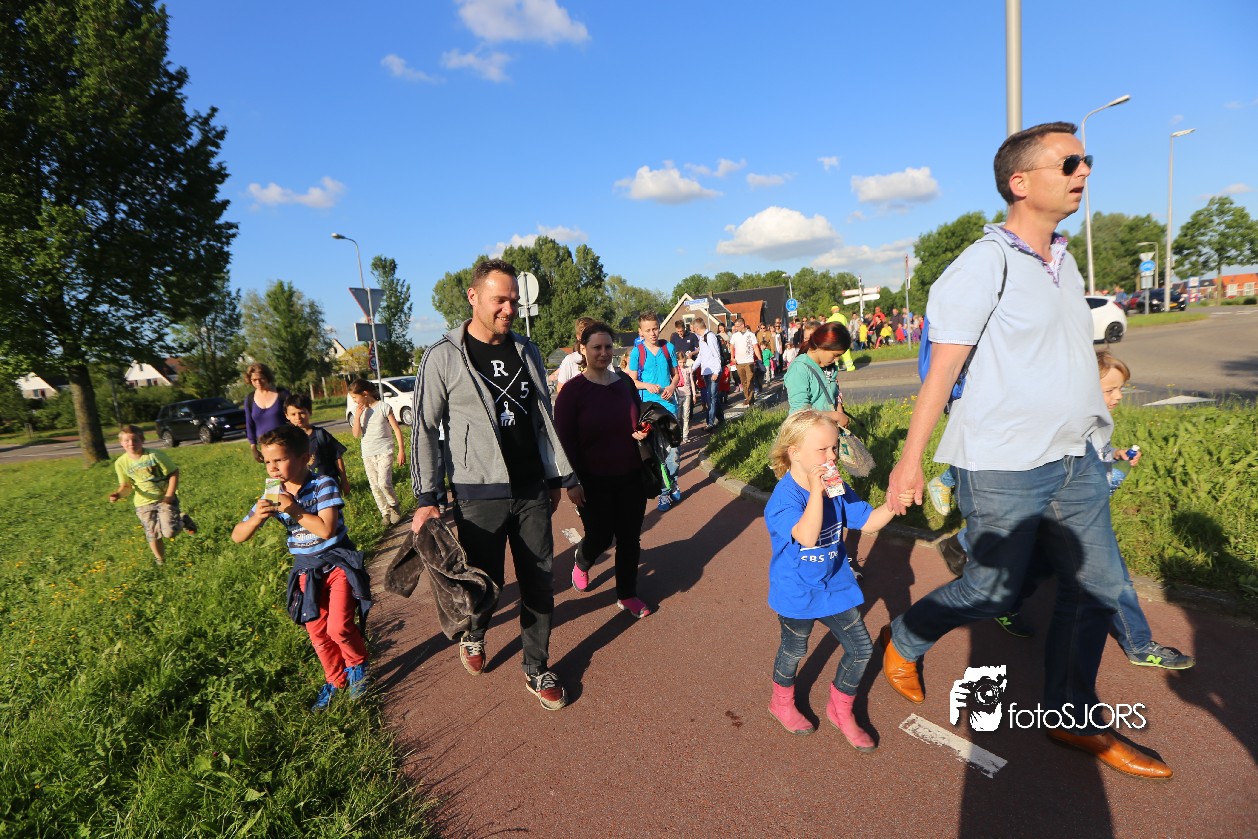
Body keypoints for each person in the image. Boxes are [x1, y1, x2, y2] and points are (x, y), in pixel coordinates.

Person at [881, 121, 1170, 779]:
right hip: (1002, 464)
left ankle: (1071, 716)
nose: (1084, 171)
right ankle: (909, 634)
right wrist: (909, 461)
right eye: (1068, 162)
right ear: (1019, 182)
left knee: (1096, 587)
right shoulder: (983, 264)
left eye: (1086, 160)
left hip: (1076, 457)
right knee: (992, 589)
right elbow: (942, 372)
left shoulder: (1065, 261)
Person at [409, 258, 575, 711]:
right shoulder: (443, 356)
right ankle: (474, 632)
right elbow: (424, 428)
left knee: (538, 580)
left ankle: (537, 666)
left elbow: (543, 417)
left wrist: (556, 476)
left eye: (514, 301)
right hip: (476, 491)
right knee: (486, 583)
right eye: (499, 300)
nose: (509, 309)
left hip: (531, 488)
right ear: (473, 297)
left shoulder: (527, 351)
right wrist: (426, 497)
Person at [764, 410, 911, 751]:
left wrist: (893, 503)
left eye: (834, 448)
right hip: (796, 590)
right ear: (794, 452)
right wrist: (817, 492)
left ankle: (840, 709)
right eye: (822, 450)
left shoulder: (835, 486)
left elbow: (869, 522)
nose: (832, 457)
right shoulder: (784, 499)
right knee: (794, 649)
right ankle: (781, 703)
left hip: (835, 585)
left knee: (861, 649)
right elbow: (807, 536)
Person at [231, 425, 370, 711]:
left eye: (280, 459)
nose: (272, 467)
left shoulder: (323, 485)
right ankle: (335, 680)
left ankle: (357, 666)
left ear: (305, 458)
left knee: (338, 627)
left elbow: (327, 530)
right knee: (317, 632)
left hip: (336, 563)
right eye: (267, 461)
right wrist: (257, 518)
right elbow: (237, 535)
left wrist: (293, 509)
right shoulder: (273, 493)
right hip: (306, 570)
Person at [555, 322, 654, 618]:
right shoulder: (572, 392)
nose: (603, 352)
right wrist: (571, 481)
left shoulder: (623, 383)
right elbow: (563, 441)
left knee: (629, 537)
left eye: (608, 346)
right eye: (596, 347)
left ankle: (627, 594)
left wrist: (643, 430)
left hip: (630, 475)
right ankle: (583, 560)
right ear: (583, 350)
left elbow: (637, 418)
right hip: (591, 480)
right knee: (599, 537)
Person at [108, 425, 196, 565]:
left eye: (135, 440)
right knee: (152, 533)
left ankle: (182, 520)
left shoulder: (154, 455)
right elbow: (126, 486)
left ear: (142, 440)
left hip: (165, 499)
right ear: (121, 443)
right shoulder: (121, 463)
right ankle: (160, 561)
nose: (131, 443)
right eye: (126, 441)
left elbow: (174, 472)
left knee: (169, 532)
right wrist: (118, 494)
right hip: (143, 503)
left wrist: (170, 495)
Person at [626, 311, 682, 511]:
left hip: (669, 406)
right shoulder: (637, 353)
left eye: (655, 328)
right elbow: (631, 381)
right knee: (657, 452)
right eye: (648, 330)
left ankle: (673, 482)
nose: (653, 333)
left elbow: (676, 375)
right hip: (649, 410)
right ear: (640, 332)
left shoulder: (669, 348)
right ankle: (664, 493)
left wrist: (672, 387)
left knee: (674, 452)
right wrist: (646, 385)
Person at [348, 378, 405, 525]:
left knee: (383, 482)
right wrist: (358, 416)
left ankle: (394, 506)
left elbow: (396, 429)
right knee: (374, 485)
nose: (354, 401)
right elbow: (356, 434)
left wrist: (401, 451)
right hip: (368, 453)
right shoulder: (356, 411)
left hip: (385, 450)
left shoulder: (383, 407)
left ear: (365, 393)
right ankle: (385, 512)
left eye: (355, 397)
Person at [782, 321, 851, 428]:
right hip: (809, 433)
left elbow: (834, 395)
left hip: (828, 430)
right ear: (822, 346)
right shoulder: (799, 368)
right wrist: (835, 416)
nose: (837, 359)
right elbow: (799, 413)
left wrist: (840, 414)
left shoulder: (829, 366)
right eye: (835, 355)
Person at [285, 392, 348, 494]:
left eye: (302, 413)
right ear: (286, 415)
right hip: (302, 491)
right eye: (293, 414)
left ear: (309, 412)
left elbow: (337, 457)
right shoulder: (286, 440)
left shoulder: (320, 434)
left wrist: (344, 481)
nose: (298, 417)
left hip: (327, 487)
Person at [244, 363, 290, 464]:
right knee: (273, 471)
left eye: (261, 379)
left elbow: (294, 417)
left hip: (285, 444)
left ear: (267, 377)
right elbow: (249, 424)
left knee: (287, 470)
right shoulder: (250, 399)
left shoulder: (282, 394)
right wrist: (253, 447)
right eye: (254, 380)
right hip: (265, 448)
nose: (258, 382)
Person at [550, 316, 595, 396]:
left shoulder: (602, 357)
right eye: (585, 335)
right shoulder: (570, 360)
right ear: (578, 337)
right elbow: (560, 389)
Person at [692, 317, 724, 428]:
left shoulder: (710, 337)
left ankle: (710, 422)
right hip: (706, 372)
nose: (693, 331)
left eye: (693, 329)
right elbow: (701, 356)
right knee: (713, 397)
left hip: (713, 372)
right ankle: (721, 419)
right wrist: (692, 368)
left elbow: (716, 354)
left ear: (697, 328)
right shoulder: (702, 339)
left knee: (711, 398)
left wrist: (716, 372)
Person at [729, 317, 761, 406]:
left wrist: (759, 358)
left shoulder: (751, 335)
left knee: (750, 380)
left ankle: (750, 399)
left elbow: (755, 347)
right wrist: (732, 357)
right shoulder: (735, 336)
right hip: (739, 362)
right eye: (735, 326)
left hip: (749, 361)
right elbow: (731, 346)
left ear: (743, 325)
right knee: (744, 381)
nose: (736, 328)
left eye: (737, 326)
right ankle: (748, 397)